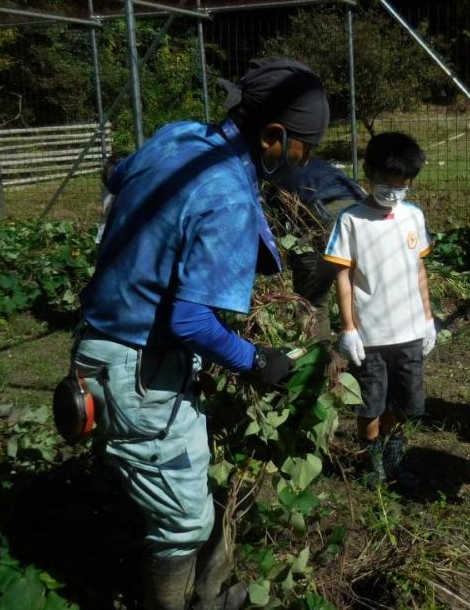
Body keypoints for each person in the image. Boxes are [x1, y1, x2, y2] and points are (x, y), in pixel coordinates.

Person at [71, 57, 329, 610]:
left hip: (102, 340)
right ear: (274, 137)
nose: (305, 160)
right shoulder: (228, 197)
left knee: (182, 493)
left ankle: (209, 594)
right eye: (304, 148)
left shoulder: (179, 137)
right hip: (138, 368)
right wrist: (257, 361)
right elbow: (189, 321)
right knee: (183, 522)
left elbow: (116, 175)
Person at [323, 132, 435, 489]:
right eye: (387, 183)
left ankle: (393, 459)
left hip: (410, 331)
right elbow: (344, 277)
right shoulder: (351, 221)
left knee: (403, 403)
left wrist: (429, 319)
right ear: (370, 173)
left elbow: (419, 270)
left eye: (403, 186)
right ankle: (372, 466)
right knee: (370, 403)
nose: (394, 192)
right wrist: (349, 328)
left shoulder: (413, 216)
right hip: (369, 336)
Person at [263, 157, 365, 342]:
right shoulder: (319, 164)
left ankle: (319, 363)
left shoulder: (271, 173)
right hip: (365, 216)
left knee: (312, 304)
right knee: (364, 293)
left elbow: (271, 224)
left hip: (322, 219)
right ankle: (372, 358)